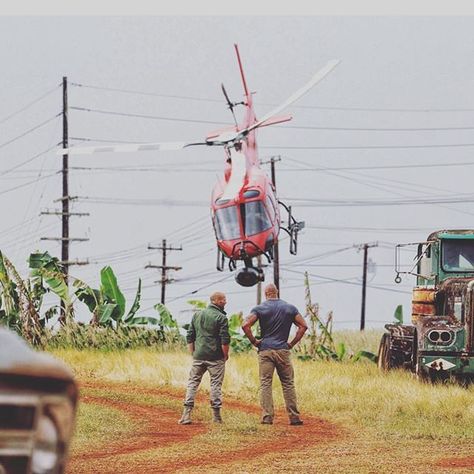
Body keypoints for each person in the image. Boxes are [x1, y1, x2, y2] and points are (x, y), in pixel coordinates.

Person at [242, 283, 308, 426]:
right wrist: (291, 344)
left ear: (266, 293)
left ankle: (267, 417)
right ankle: (294, 418)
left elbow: (245, 325)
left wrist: (254, 341)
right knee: (288, 383)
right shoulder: (290, 308)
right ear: (277, 292)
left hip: (265, 350)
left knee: (266, 383)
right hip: (283, 350)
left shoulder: (259, 309)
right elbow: (303, 326)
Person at [179, 291, 230, 425]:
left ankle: (186, 415)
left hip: (198, 356)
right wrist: (225, 355)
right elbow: (225, 340)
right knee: (215, 385)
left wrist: (193, 353)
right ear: (216, 301)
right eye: (223, 299)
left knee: (192, 383)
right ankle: (216, 417)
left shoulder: (197, 314)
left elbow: (190, 335)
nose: (225, 302)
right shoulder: (221, 317)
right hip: (216, 357)